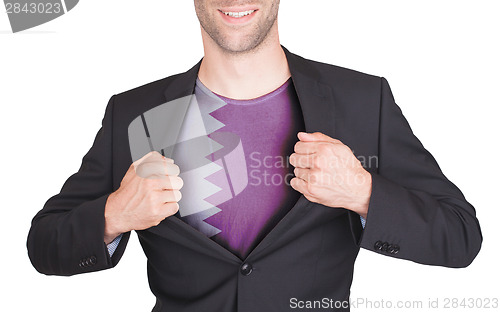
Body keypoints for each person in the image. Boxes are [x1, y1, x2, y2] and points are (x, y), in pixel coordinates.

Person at [27, 1, 482, 311]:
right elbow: (44, 245)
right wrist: (114, 214)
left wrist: (363, 192)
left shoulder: (362, 101)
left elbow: (460, 236)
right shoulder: (135, 113)